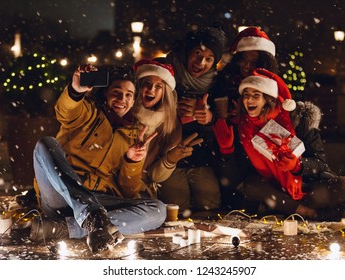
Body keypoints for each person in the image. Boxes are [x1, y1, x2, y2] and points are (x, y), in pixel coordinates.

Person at [29, 66, 166, 254]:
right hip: (62, 194)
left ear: (134, 100)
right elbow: (65, 110)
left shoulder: (134, 135)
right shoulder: (87, 113)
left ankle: (65, 227)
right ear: (105, 94)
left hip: (99, 200)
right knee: (45, 144)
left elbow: (129, 191)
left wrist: (132, 161)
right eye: (116, 93)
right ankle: (91, 218)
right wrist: (76, 91)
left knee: (158, 210)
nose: (122, 100)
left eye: (128, 95)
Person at [213, 68, 345, 221]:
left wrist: (297, 165)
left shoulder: (298, 120)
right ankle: (308, 212)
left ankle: (291, 208)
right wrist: (226, 150)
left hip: (307, 187)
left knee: (343, 185)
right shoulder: (243, 128)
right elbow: (234, 179)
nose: (249, 100)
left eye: (256, 95)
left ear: (268, 99)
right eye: (246, 95)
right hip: (274, 190)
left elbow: (320, 163)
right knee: (251, 185)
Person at [158, 24, 227, 214]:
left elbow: (224, 121)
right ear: (188, 51)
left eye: (209, 59)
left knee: (209, 205)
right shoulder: (166, 72)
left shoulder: (217, 82)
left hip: (201, 157)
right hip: (168, 155)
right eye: (197, 54)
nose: (201, 62)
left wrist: (209, 117)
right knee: (176, 208)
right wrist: (172, 108)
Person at [131, 58, 203, 198]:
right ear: (138, 86)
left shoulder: (169, 124)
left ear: (165, 92)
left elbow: (155, 176)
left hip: (142, 188)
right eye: (147, 84)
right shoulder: (125, 112)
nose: (152, 90)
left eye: (159, 86)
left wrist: (170, 159)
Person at [212, 26, 278, 121]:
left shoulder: (272, 87)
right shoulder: (224, 79)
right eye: (243, 59)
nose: (247, 65)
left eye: (254, 62)